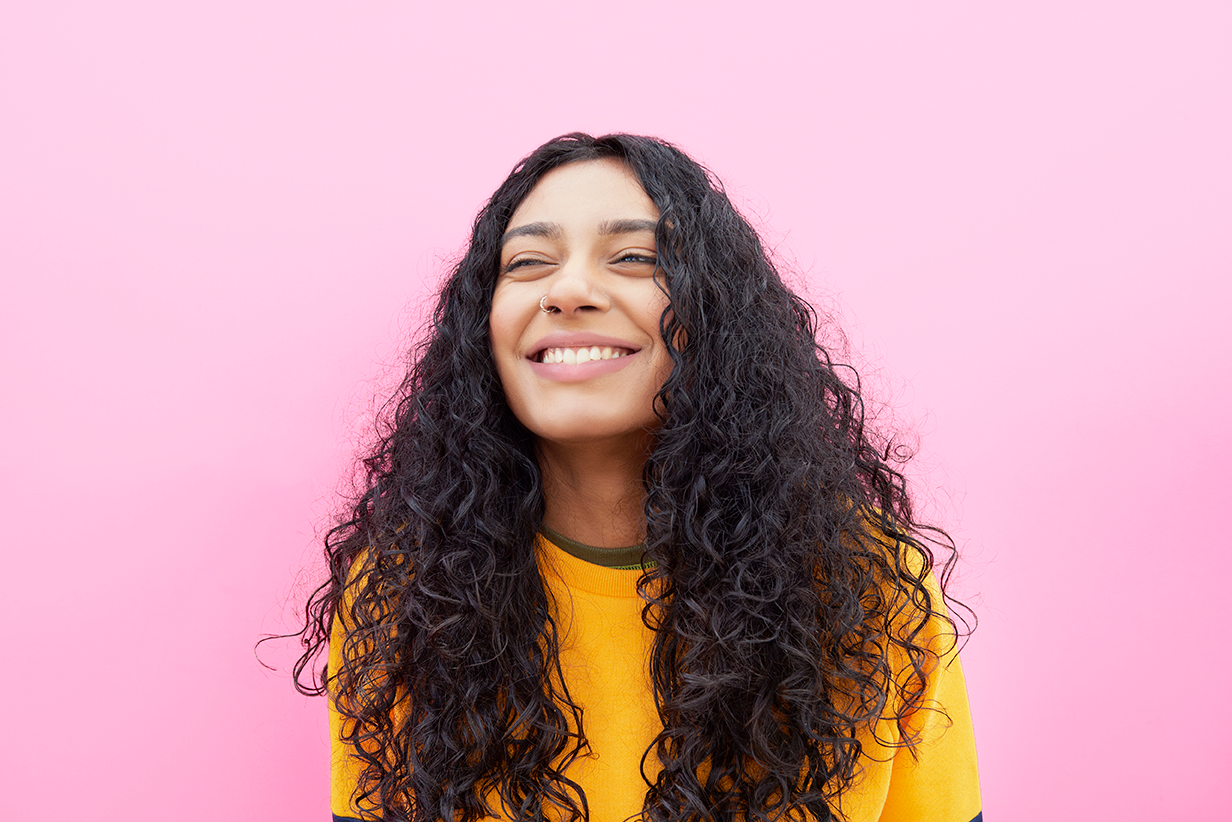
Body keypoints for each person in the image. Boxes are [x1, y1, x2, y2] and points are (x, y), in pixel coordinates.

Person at [294, 133, 981, 822]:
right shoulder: (405, 598)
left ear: (712, 314)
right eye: (529, 262)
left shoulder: (873, 592)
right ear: (482, 325)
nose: (568, 291)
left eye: (632, 258)